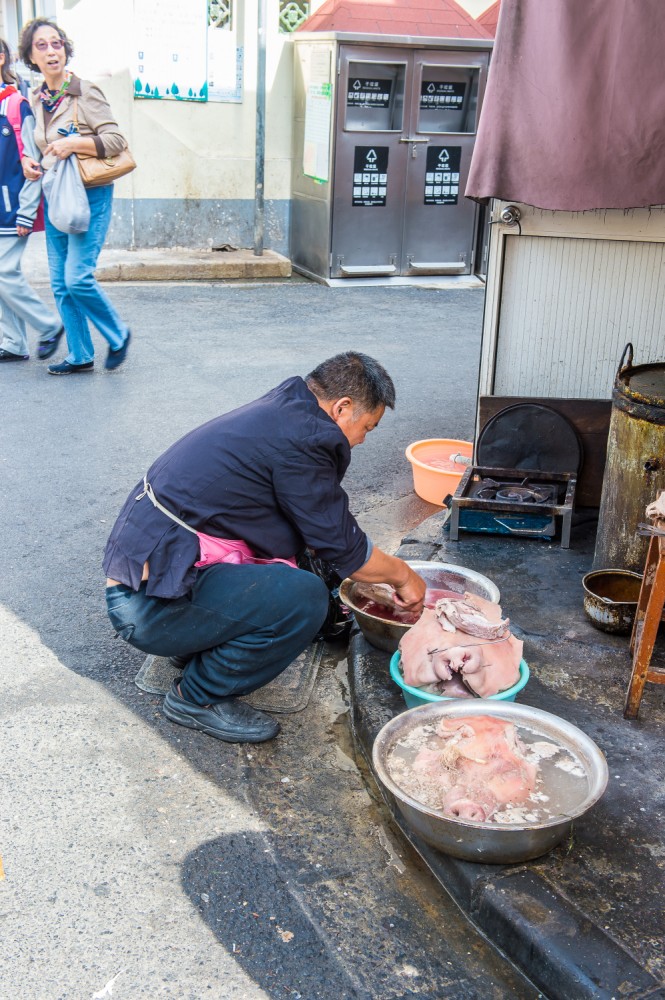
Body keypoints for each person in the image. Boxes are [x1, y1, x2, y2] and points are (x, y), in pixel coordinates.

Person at [103, 352, 426, 745]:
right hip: (144, 606)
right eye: (367, 427)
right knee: (304, 597)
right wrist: (404, 576)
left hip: (152, 577)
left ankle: (194, 647)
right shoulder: (304, 439)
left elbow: (320, 526)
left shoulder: (287, 411)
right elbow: (343, 545)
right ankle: (198, 698)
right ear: (342, 408)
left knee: (302, 573)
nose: (360, 440)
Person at [18, 18, 131, 375]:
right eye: (42, 46)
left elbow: (115, 141)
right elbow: (39, 144)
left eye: (56, 44)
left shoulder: (85, 91)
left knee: (77, 278)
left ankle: (118, 334)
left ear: (65, 50)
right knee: (60, 284)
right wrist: (30, 163)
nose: (51, 51)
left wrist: (73, 143)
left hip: (90, 196)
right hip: (56, 195)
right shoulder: (37, 98)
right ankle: (81, 354)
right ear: (31, 57)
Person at [0, 36, 63, 363]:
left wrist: (26, 212)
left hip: (11, 207)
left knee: (3, 273)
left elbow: (32, 161)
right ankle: (12, 341)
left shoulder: (16, 105)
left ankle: (48, 324)